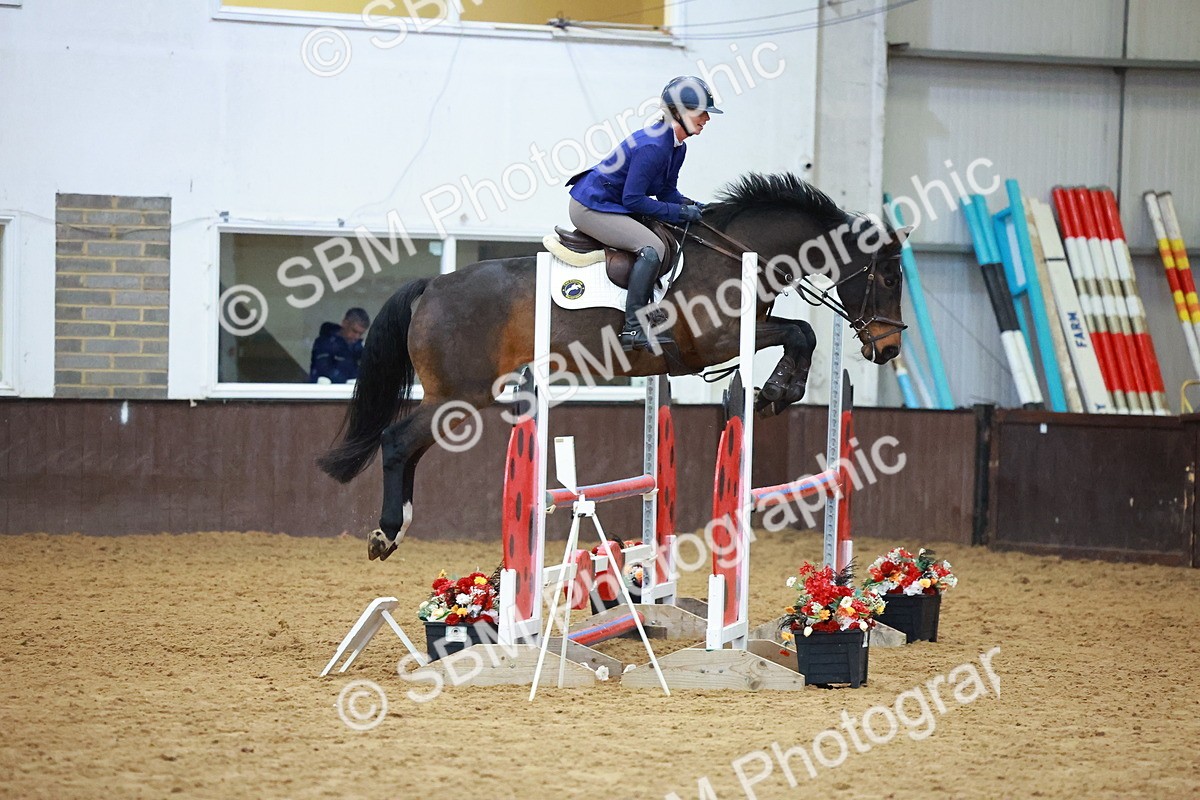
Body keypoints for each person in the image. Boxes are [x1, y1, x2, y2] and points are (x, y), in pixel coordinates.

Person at [566, 75, 721, 351]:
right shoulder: (653, 146)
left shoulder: (676, 147)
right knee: (652, 248)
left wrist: (697, 208)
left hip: (613, 205)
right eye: (702, 112)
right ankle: (633, 327)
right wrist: (680, 212)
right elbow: (634, 199)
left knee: (664, 241)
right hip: (591, 207)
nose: (707, 118)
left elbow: (666, 193)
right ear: (680, 113)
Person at [309, 307, 370, 383]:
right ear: (345, 323)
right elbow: (323, 370)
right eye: (354, 331)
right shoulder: (325, 343)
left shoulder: (359, 347)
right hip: (326, 392)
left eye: (360, 334)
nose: (357, 337)